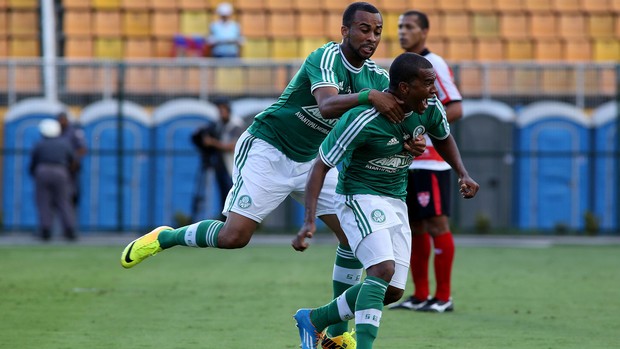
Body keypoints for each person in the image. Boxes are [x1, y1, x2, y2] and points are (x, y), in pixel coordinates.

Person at [120, 1, 424, 340]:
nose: (372, 37)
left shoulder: (378, 77)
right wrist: (370, 97)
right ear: (345, 31)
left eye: (378, 32)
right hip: (269, 148)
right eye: (364, 29)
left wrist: (409, 139)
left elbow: (400, 113)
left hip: (313, 160)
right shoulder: (324, 58)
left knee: (354, 238)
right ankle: (166, 236)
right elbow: (326, 105)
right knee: (233, 237)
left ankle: (336, 336)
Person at [292, 52, 479, 349]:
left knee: (391, 291)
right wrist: (308, 221)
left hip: (395, 199)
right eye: (428, 83)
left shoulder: (428, 108)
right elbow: (320, 165)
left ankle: (314, 319)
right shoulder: (362, 118)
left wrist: (462, 173)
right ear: (404, 87)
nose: (434, 90)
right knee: (381, 271)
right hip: (358, 196)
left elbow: (442, 137)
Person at [389, 10, 465, 313]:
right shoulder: (404, 67)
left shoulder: (435, 65)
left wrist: (424, 128)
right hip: (409, 160)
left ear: (424, 32)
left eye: (409, 27)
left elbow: (456, 107)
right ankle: (421, 294)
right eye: (400, 27)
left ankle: (443, 296)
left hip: (432, 160)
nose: (403, 32)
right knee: (414, 226)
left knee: (436, 223)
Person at [190, 99, 244, 220]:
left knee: (232, 195)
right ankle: (224, 221)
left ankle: (232, 221)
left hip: (232, 167)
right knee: (223, 196)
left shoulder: (236, 125)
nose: (221, 114)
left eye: (223, 111)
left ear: (229, 111)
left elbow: (232, 146)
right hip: (220, 165)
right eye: (219, 111)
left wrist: (212, 143)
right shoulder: (219, 124)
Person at [30, 118, 78, 241]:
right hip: (61, 171)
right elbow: (73, 160)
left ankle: (45, 230)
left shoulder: (39, 144)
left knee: (43, 201)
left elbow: (33, 162)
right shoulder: (64, 143)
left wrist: (34, 173)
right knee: (63, 201)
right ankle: (69, 230)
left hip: (42, 171)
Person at [57, 111, 87, 207]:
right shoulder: (56, 132)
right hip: (59, 166)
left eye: (63, 120)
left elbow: (82, 149)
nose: (61, 122)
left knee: (71, 191)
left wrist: (74, 160)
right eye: (60, 120)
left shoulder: (73, 132)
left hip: (70, 167)